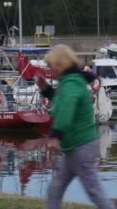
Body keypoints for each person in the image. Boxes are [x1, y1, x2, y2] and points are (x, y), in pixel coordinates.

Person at [37, 45, 115, 209]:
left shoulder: (71, 84)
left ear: (59, 65)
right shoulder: (71, 82)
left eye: (50, 66)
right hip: (75, 148)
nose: (49, 70)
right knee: (56, 188)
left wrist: (56, 135)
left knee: (94, 192)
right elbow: (61, 101)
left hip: (81, 148)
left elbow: (66, 111)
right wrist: (46, 89)